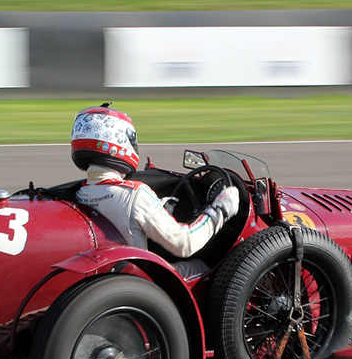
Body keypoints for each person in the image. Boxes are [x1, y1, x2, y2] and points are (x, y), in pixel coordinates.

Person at [72, 104, 240, 278]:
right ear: (118, 142)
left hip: (107, 278)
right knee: (202, 266)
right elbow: (184, 243)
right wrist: (220, 209)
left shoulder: (78, 193)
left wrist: (160, 209)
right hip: (142, 283)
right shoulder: (134, 195)